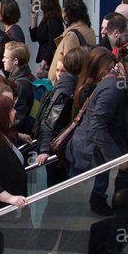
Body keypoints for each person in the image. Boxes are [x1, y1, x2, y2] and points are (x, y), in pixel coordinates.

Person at [68, 46, 128, 215]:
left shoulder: (121, 82)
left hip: (106, 151)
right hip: (96, 152)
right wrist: (118, 159)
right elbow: (97, 124)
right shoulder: (114, 87)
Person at [35, 47, 87, 187]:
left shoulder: (69, 84)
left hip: (57, 145)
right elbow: (52, 117)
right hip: (56, 147)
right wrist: (45, 148)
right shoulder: (66, 88)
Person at [49, 0, 96, 81]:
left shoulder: (72, 35)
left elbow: (68, 65)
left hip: (65, 83)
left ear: (66, 13)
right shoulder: (89, 30)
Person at [29, 0, 65, 78]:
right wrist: (34, 18)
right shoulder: (47, 19)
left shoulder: (54, 19)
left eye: (38, 1)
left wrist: (43, 64)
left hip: (50, 61)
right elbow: (34, 37)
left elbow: (53, 43)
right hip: (45, 60)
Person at [2, 42, 36, 134]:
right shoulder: (29, 77)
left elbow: (17, 117)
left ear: (15, 61)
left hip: (19, 135)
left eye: (6, 57)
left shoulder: (21, 85)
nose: (2, 60)